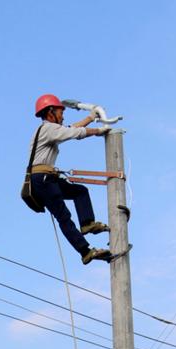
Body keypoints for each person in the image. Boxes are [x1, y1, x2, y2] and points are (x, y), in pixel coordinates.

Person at [27, 94, 111, 265]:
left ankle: (87, 223)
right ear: (50, 112)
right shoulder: (48, 129)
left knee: (80, 191)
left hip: (47, 178)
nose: (63, 116)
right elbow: (74, 133)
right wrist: (98, 131)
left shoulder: (50, 129)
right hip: (42, 179)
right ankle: (85, 252)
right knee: (63, 216)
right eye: (60, 112)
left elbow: (71, 128)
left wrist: (90, 118)